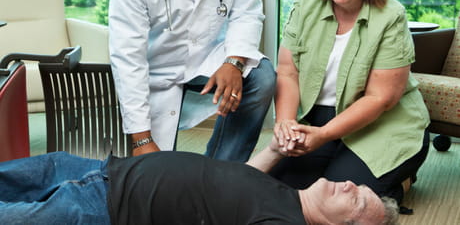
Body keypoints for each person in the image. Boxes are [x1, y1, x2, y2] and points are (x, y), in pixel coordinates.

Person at [271, 0, 430, 205]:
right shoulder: (306, 5)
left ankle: (401, 182)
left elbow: (381, 99)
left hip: (383, 125)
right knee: (279, 190)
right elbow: (287, 71)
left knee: (337, 199)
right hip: (318, 119)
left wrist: (324, 136)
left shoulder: (391, 16)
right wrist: (286, 121)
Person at [108, 0, 275, 160]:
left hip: (208, 61)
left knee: (262, 75)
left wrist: (234, 62)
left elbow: (247, 13)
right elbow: (128, 59)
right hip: (158, 74)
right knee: (157, 176)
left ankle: (221, 172)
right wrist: (141, 139)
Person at [0, 134, 399, 224]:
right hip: (107, 169)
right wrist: (275, 151)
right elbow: (238, 180)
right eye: (361, 186)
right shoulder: (289, 195)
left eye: (358, 200)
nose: (350, 184)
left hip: (100, 209)